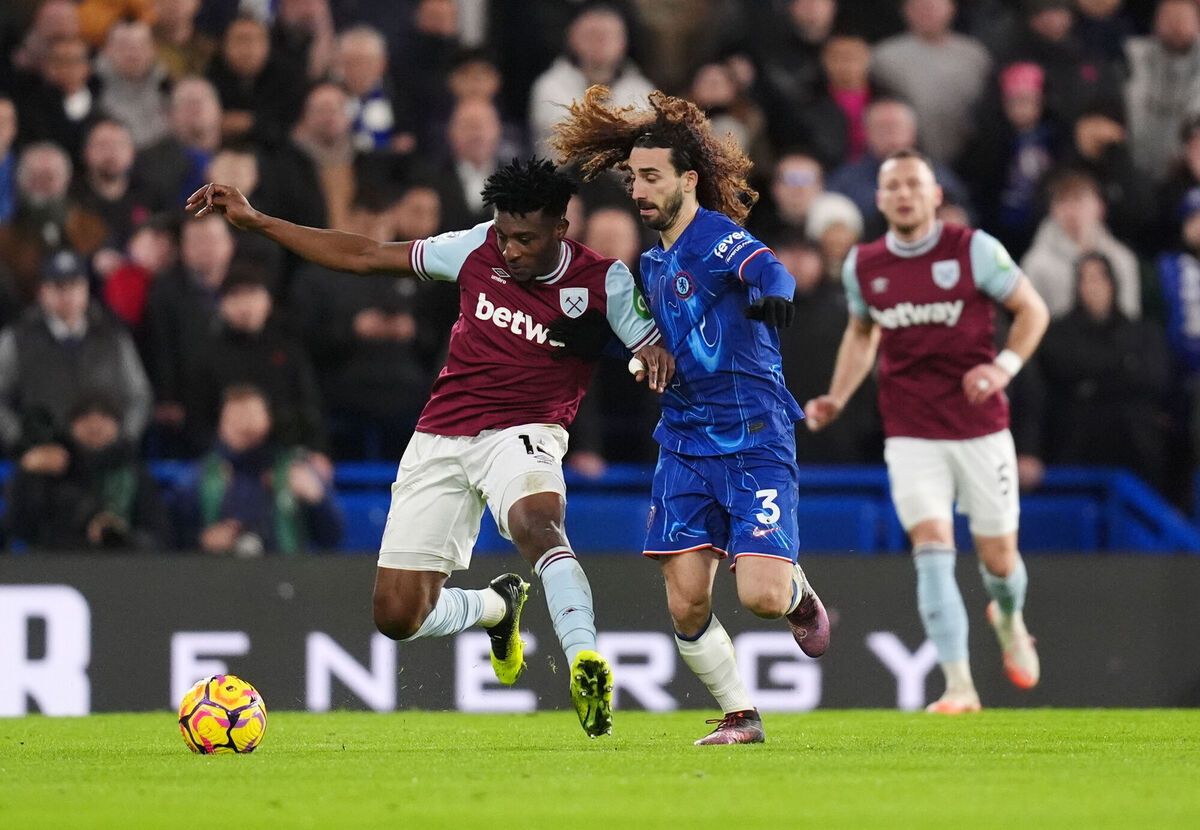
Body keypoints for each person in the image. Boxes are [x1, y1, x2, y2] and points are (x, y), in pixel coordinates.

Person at [186, 157, 673, 738]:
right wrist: (260, 221)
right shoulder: (476, 247)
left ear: (560, 229)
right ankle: (495, 608)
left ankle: (583, 659)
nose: (511, 250)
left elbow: (654, 348)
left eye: (526, 239)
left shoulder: (606, 281)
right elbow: (366, 254)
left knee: (539, 526)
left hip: (525, 432)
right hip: (441, 435)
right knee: (397, 617)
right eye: (505, 235)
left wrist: (647, 356)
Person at [550, 86, 831, 745]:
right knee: (685, 602)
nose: (639, 190)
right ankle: (742, 716)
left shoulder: (717, 238)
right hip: (683, 440)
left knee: (762, 597)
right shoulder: (651, 263)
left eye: (652, 176)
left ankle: (798, 594)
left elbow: (769, 270)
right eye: (633, 178)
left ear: (689, 180)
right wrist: (627, 351)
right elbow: (662, 341)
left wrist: (775, 295)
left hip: (754, 436)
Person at [803, 149, 1051, 713]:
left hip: (980, 428)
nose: (904, 195)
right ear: (880, 199)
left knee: (999, 562)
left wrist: (1002, 368)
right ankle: (959, 685)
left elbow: (1033, 310)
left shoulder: (975, 250)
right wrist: (837, 397)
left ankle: (1009, 616)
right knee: (932, 547)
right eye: (893, 186)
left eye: (914, 184)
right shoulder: (864, 264)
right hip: (911, 431)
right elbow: (862, 333)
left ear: (935, 195)